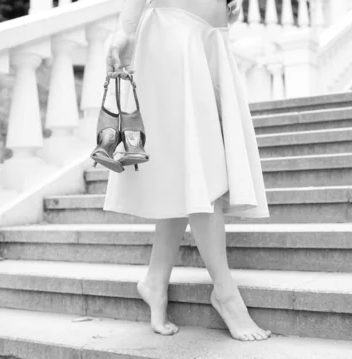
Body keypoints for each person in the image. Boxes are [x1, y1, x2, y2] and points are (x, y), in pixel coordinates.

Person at [102, 0, 272, 342]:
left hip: (210, 36)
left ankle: (155, 278)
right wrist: (125, 29)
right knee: (201, 165)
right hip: (173, 33)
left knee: (190, 167)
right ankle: (225, 293)